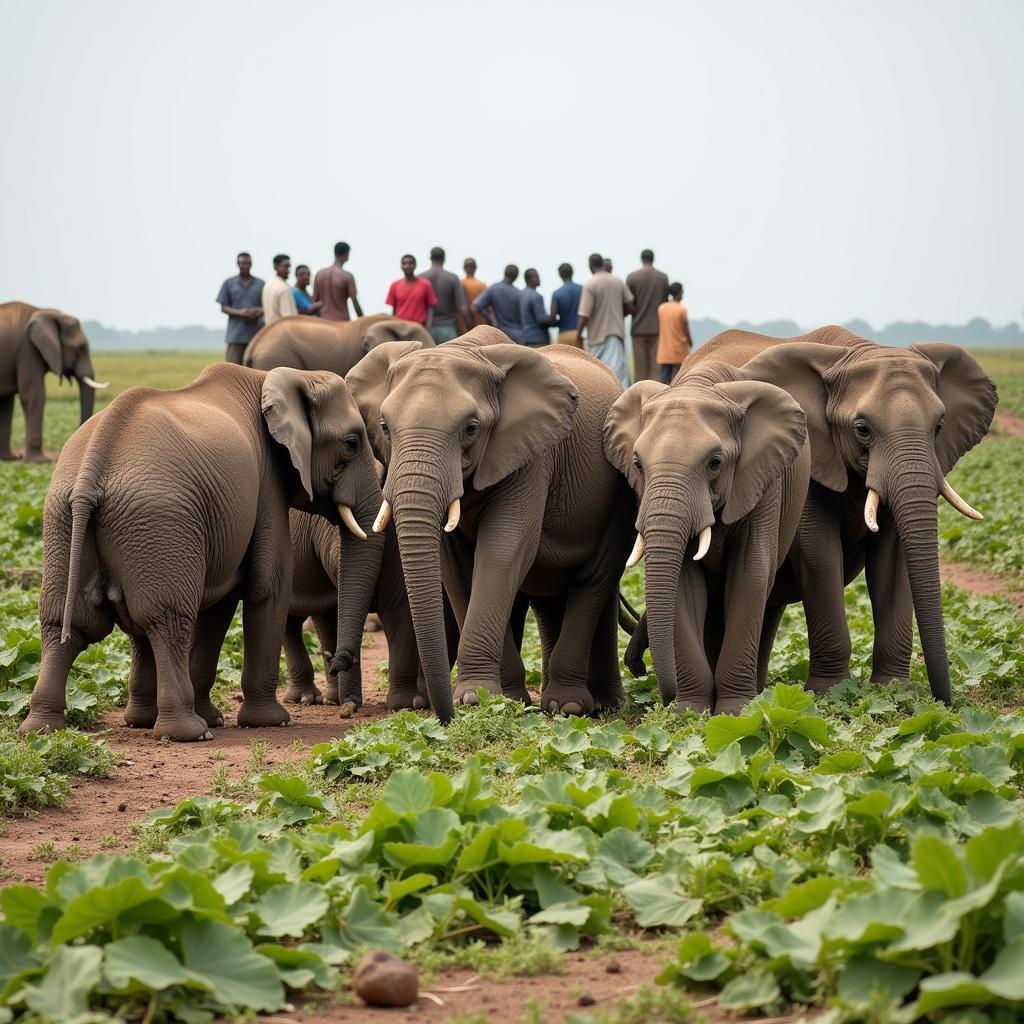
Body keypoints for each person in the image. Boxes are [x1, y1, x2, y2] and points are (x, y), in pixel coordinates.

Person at [577, 253, 635, 387]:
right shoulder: (617, 281)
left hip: (597, 336)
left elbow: (584, 315)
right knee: (619, 375)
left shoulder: (590, 284)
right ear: (603, 264)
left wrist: (578, 334)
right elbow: (631, 307)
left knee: (598, 375)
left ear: (590, 266)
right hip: (616, 332)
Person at [627, 249, 671, 382]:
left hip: (638, 328)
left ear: (642, 259)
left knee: (640, 367)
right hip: (657, 328)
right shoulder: (663, 278)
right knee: (656, 367)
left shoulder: (632, 277)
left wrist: (637, 311)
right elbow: (664, 303)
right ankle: (655, 396)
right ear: (653, 259)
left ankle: (639, 397)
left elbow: (629, 303)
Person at [216, 252, 264, 364]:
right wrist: (241, 313)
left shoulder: (261, 284)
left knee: (256, 371)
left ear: (251, 264)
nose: (245, 265)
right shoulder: (229, 283)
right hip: (236, 335)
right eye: (242, 263)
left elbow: (267, 306)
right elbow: (223, 307)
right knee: (233, 370)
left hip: (256, 335)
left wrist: (257, 312)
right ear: (238, 264)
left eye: (247, 263)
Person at [419, 247, 469, 343]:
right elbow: (462, 308)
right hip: (448, 329)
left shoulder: (420, 278)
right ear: (444, 258)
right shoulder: (452, 278)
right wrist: (470, 326)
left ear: (430, 258)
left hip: (425, 330)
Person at [313, 241, 363, 322]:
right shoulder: (347, 276)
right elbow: (355, 303)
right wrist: (363, 321)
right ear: (347, 254)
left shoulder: (319, 274)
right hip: (342, 322)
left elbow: (314, 301)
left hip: (323, 322)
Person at [473, 265, 524, 341]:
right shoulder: (519, 293)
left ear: (504, 273)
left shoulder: (494, 288)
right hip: (519, 336)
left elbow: (475, 306)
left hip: (500, 336)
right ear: (516, 276)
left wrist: (491, 321)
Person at [385, 254, 436, 327]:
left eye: (410, 263)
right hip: (400, 327)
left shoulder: (425, 284)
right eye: (404, 263)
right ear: (401, 266)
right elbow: (393, 310)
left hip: (419, 327)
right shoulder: (395, 285)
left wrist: (428, 327)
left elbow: (431, 308)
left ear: (415, 265)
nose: (407, 266)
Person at [656, 282, 692, 384]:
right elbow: (686, 329)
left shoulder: (661, 308)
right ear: (680, 293)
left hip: (664, 351)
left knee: (664, 381)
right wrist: (690, 342)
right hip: (679, 351)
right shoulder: (681, 309)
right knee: (677, 382)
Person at [519, 269, 554, 347]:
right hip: (538, 340)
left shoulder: (521, 294)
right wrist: (555, 320)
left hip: (525, 339)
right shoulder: (536, 296)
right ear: (529, 279)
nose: (539, 279)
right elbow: (542, 320)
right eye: (536, 277)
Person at [551, 262, 582, 347]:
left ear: (560, 275)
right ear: (572, 272)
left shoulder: (557, 293)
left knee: (564, 359)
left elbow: (552, 318)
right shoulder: (582, 289)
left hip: (563, 334)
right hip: (579, 333)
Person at [263, 254, 298, 325]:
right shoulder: (283, 287)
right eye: (285, 266)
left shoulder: (268, 284)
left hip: (270, 331)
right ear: (276, 267)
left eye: (289, 267)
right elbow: (288, 318)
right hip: (283, 332)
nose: (288, 270)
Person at [461, 258, 488, 328]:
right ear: (475, 267)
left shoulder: (460, 283)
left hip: (465, 326)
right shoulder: (482, 285)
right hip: (478, 327)